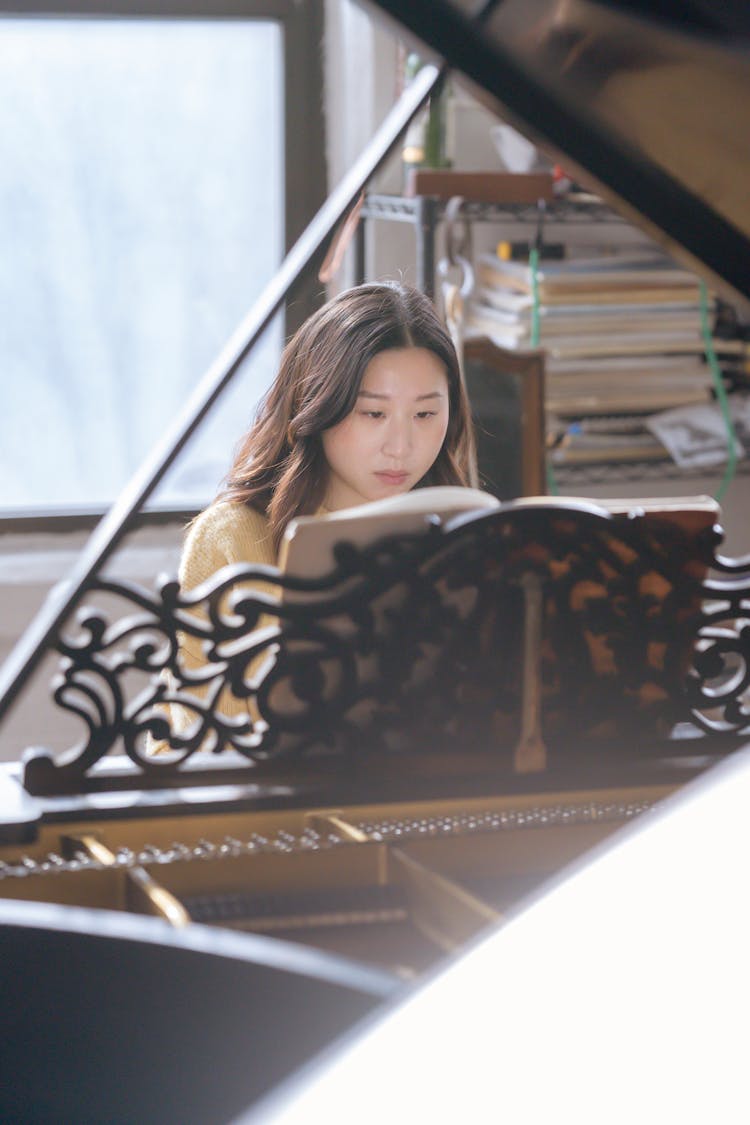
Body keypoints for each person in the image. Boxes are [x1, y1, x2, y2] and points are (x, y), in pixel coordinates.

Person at [161, 281, 477, 740]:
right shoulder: (232, 537)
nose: (402, 447)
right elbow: (211, 735)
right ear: (317, 405)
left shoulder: (461, 527)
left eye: (425, 416)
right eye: (373, 414)